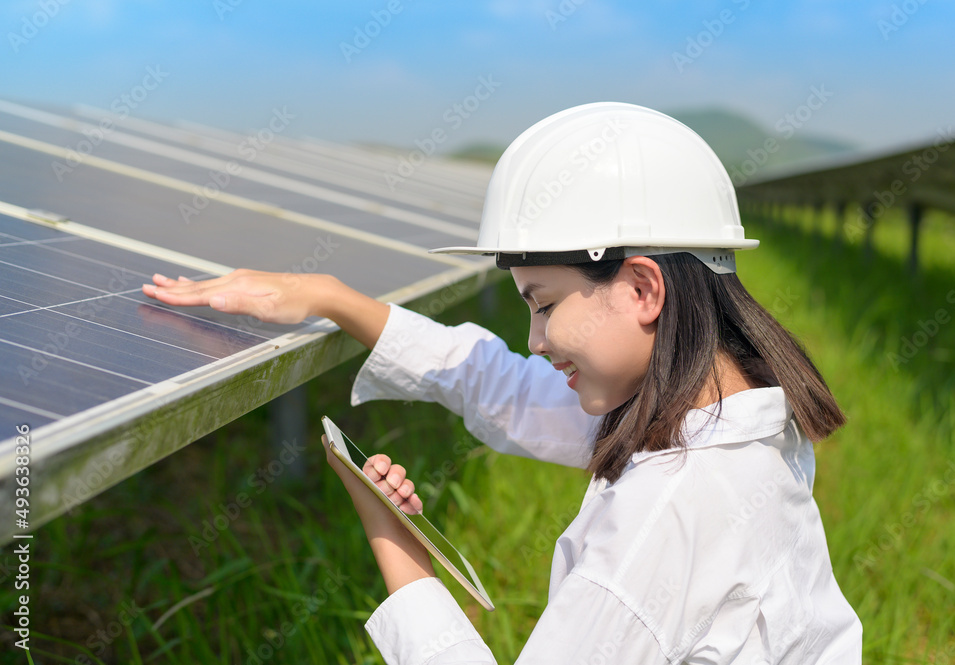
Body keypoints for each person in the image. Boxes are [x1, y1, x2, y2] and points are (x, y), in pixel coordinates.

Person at [143, 102, 863, 663]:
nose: (536, 338)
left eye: (544, 304)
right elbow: (510, 388)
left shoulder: (667, 513)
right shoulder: (724, 417)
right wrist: (334, 297)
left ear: (643, 288)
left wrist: (395, 541)